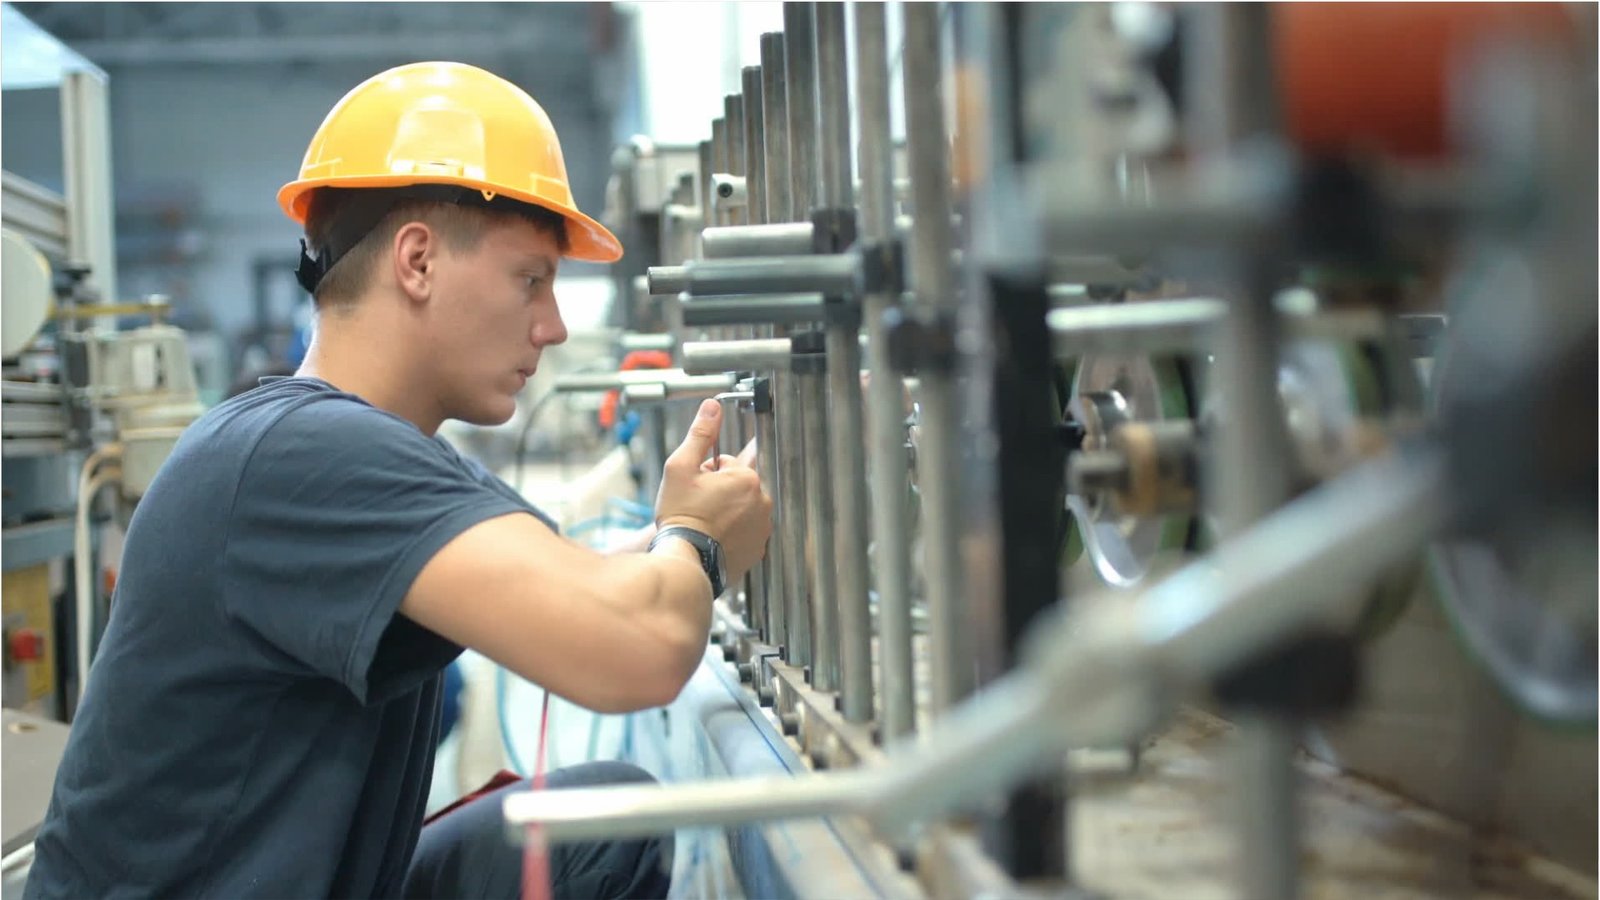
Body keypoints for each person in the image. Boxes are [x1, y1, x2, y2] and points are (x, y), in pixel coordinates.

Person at [25, 61, 772, 899]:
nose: (555, 327)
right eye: (532, 280)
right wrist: (696, 546)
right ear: (416, 261)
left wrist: (692, 523)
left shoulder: (329, 447)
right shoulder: (306, 454)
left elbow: (575, 592)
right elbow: (635, 651)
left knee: (596, 827)